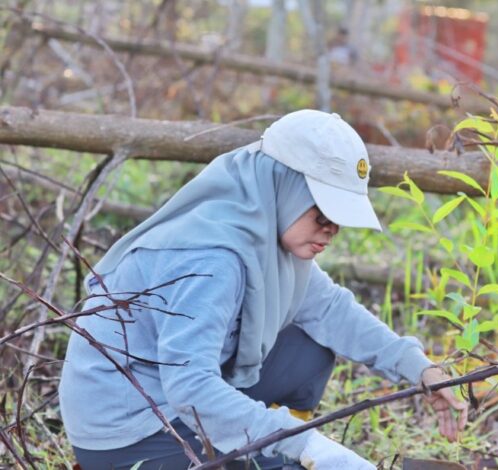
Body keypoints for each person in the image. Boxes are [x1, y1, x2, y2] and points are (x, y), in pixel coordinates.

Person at [59, 109, 468, 469]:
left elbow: (332, 312)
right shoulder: (212, 257)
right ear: (284, 186)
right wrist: (301, 441)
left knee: (309, 344)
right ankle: (268, 452)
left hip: (173, 400)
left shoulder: (268, 235)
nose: (331, 231)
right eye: (323, 213)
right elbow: (189, 385)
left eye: (339, 219)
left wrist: (421, 368)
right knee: (295, 463)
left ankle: (264, 447)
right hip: (129, 432)